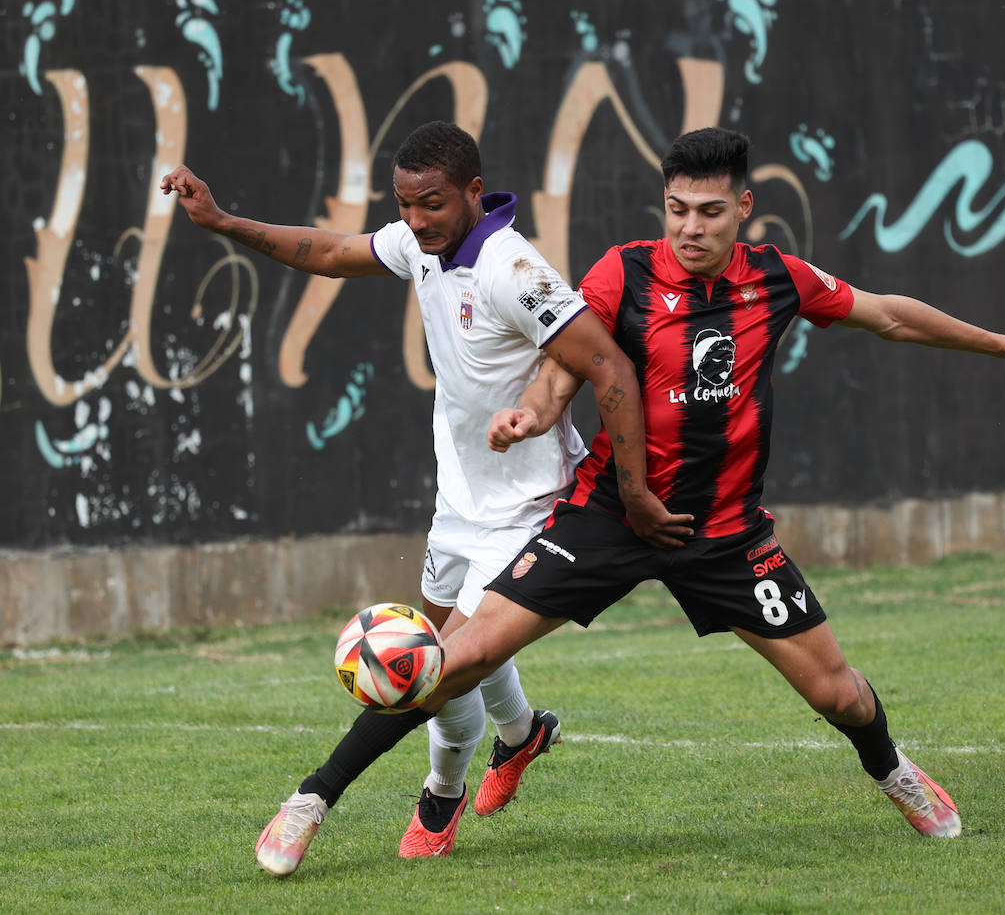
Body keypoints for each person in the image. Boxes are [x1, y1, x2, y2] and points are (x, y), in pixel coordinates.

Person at [255, 125, 1005, 861]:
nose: (690, 227)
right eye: (677, 209)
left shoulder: (779, 279)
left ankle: (893, 770)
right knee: (452, 658)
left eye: (710, 212)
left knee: (838, 693)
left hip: (724, 533)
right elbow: (566, 364)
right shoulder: (623, 272)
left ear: (743, 209)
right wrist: (531, 414)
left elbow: (889, 315)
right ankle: (310, 801)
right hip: (608, 515)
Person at [161, 121, 686, 876]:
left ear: (474, 191)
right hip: (460, 503)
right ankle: (522, 736)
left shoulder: (513, 270)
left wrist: (632, 493)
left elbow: (609, 366)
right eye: (404, 204)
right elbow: (334, 253)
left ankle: (350, 798)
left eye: (431, 204)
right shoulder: (421, 245)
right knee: (451, 648)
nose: (414, 220)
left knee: (432, 667)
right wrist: (223, 221)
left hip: (528, 510)